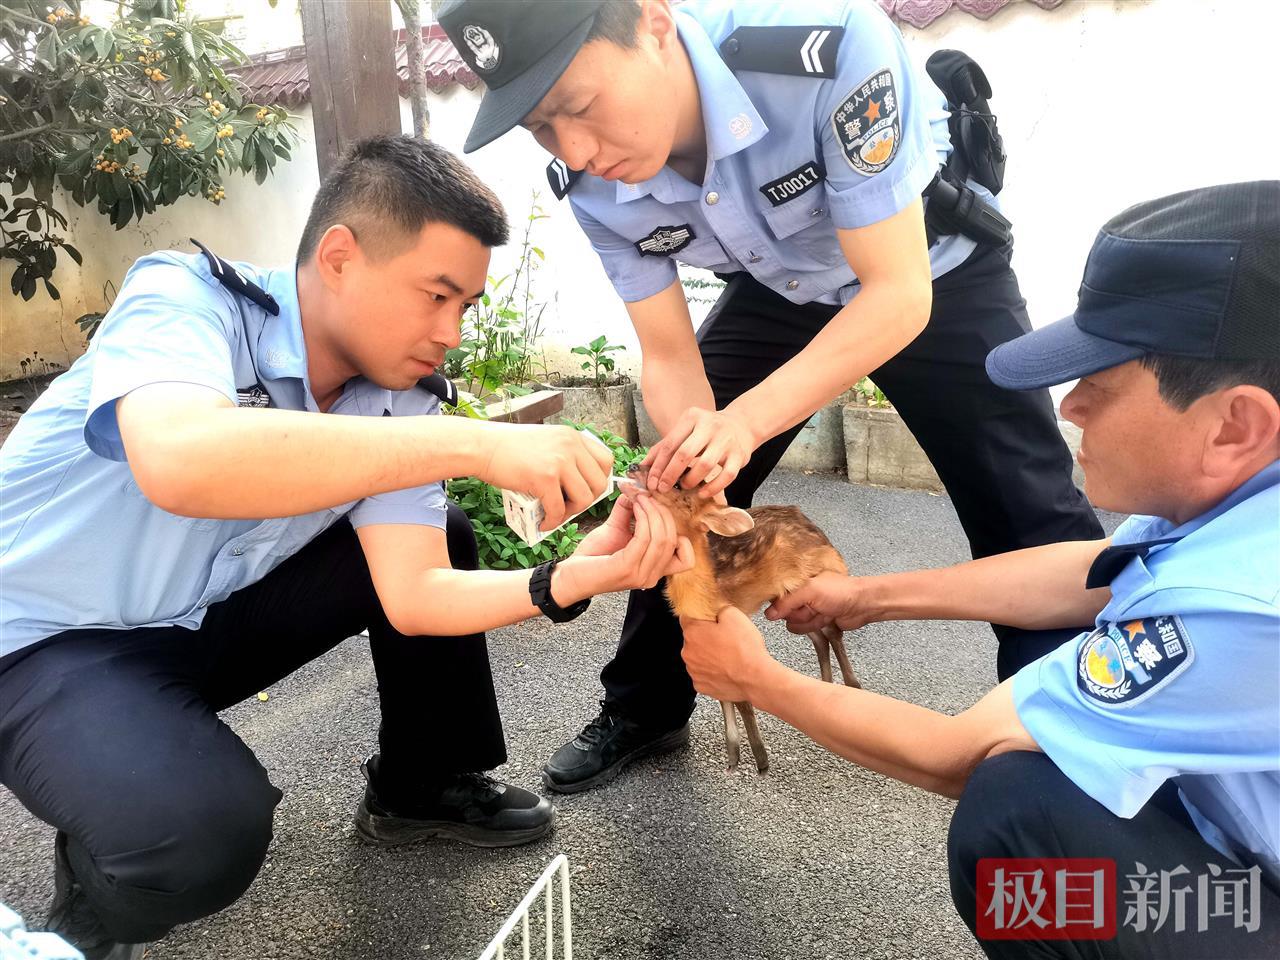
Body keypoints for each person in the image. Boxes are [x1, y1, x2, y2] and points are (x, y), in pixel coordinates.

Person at [0, 135, 691, 960]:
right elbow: (181, 460)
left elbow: (416, 594)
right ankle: (91, 916)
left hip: (194, 622)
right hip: (43, 641)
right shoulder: (188, 302)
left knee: (442, 528)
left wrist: (579, 575)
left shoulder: (391, 397)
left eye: (466, 306)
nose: (452, 333)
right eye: (436, 295)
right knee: (198, 833)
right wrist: (474, 446)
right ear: (338, 257)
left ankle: (420, 784)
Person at [437, 0, 1105, 795]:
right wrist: (699, 449)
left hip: (930, 270)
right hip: (781, 286)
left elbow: (897, 296)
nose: (574, 147)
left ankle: (1081, 725)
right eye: (543, 128)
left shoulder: (826, 50)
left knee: (1025, 508)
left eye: (579, 107)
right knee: (677, 488)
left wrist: (745, 421)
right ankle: (646, 704)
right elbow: (668, 352)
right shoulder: (589, 180)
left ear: (653, 23)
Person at [679, 181, 1280, 957]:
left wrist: (758, 679)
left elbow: (951, 754)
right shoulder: (1238, 497)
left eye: (1099, 385)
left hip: (1255, 910)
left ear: (1236, 423)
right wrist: (865, 597)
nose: (1069, 409)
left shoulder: (1236, 604)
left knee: (1015, 818)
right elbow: (1092, 570)